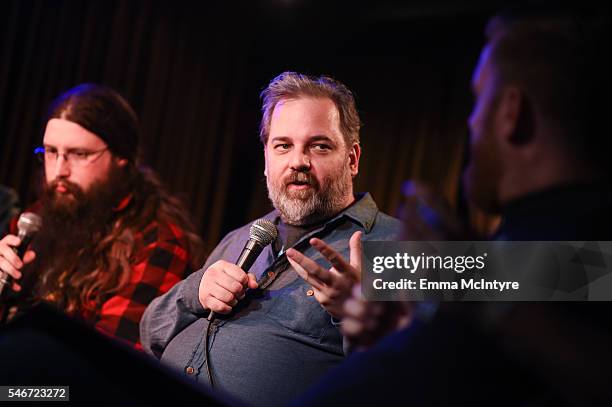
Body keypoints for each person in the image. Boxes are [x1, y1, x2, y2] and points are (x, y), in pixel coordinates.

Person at [295, 9, 612, 406]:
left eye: (480, 100)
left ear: (511, 112)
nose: (472, 123)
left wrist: (469, 289)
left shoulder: (580, 257)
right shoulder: (510, 254)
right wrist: (399, 333)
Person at [140, 72, 401, 406]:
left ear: (352, 160)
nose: (298, 162)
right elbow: (151, 333)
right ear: (266, 159)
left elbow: (421, 378)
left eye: (319, 146)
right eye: (283, 146)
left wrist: (358, 316)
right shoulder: (238, 239)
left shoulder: (400, 244)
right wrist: (195, 291)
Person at [0, 84, 205, 348]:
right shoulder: (38, 217)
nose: (59, 170)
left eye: (79, 154)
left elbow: (103, 367)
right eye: (51, 152)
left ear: (121, 157)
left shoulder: (158, 242)